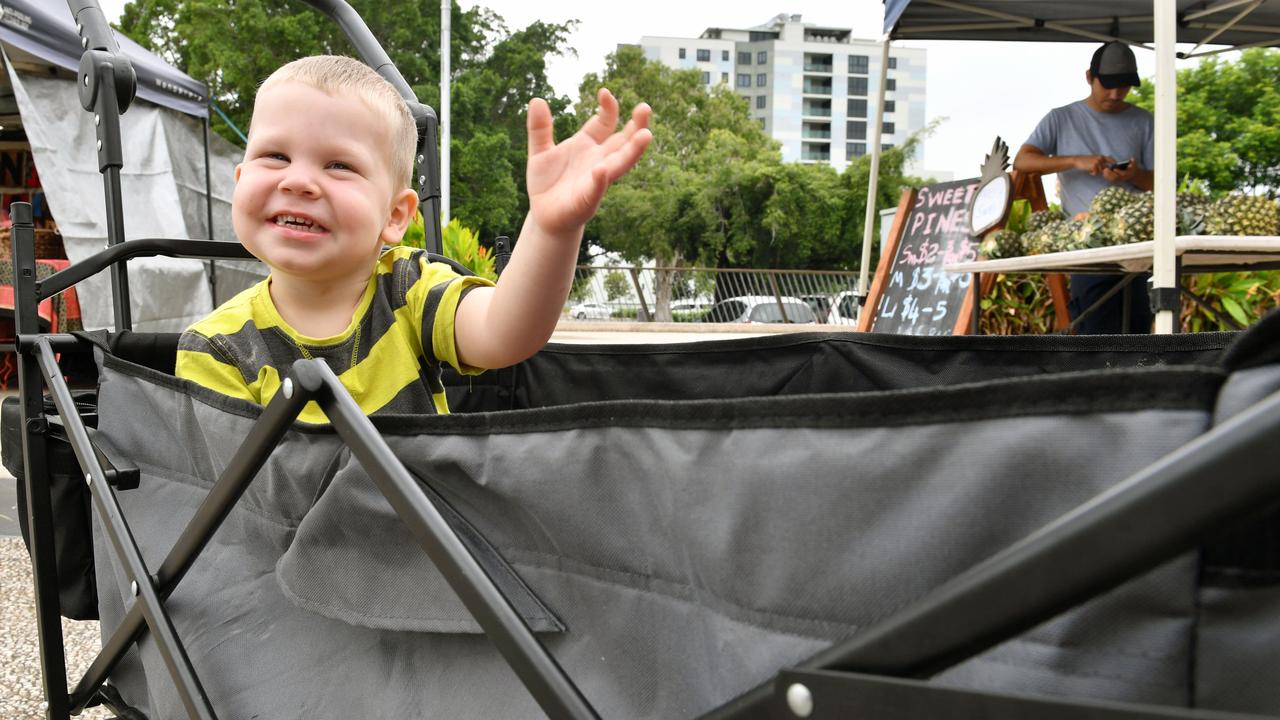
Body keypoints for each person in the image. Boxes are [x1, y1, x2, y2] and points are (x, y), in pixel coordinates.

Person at [176, 56, 651, 422]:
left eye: (339, 165)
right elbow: (231, 512)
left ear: (396, 215)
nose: (299, 181)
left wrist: (552, 228)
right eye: (276, 156)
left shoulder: (409, 290)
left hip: (427, 543)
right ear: (239, 181)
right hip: (291, 546)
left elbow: (507, 333)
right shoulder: (217, 347)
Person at [1014, 41, 1154, 334]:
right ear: (1089, 77)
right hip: (1085, 248)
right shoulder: (1061, 118)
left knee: (1139, 335)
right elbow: (1023, 161)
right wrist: (1074, 160)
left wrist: (1132, 176)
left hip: (1137, 247)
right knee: (1094, 335)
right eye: (1109, 85)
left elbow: (1163, 183)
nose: (1116, 94)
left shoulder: (1144, 121)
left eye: (1125, 86)